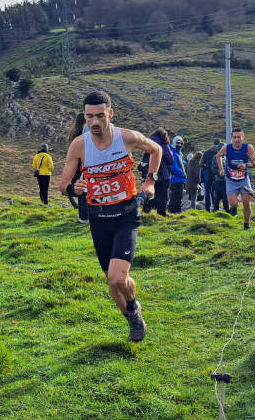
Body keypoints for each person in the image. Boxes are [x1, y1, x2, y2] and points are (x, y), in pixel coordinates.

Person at [58, 90, 161, 343]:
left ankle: (135, 322)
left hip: (126, 214)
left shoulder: (125, 137)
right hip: (99, 219)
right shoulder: (79, 145)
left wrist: (150, 181)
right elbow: (63, 183)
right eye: (89, 116)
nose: (95, 122)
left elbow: (156, 150)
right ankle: (133, 310)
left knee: (117, 278)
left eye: (100, 116)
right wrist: (73, 188)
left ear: (110, 115)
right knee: (114, 282)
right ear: (84, 116)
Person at [218, 126, 255, 230]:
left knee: (247, 203)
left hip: (243, 180)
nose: (237, 139)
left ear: (243, 138)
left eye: (239, 137)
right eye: (235, 137)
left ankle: (246, 225)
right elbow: (218, 156)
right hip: (231, 180)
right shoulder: (227, 148)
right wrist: (221, 169)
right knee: (233, 204)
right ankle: (233, 209)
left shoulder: (248, 148)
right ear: (231, 138)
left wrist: (245, 165)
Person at [64, 112, 89, 224]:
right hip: (82, 165)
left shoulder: (73, 133)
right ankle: (85, 217)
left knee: (81, 190)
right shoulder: (83, 133)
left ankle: (82, 216)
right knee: (85, 191)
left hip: (75, 165)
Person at [148, 128, 172, 216]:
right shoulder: (163, 145)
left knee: (151, 192)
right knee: (163, 195)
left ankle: (147, 211)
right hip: (162, 174)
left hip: (150, 173)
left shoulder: (148, 144)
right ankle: (161, 213)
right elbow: (170, 159)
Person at [202, 139, 224, 212]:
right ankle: (216, 208)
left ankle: (208, 208)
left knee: (208, 191)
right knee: (217, 191)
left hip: (209, 174)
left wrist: (207, 167)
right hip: (218, 174)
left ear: (213, 143)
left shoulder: (207, 152)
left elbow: (201, 164)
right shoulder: (220, 151)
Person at [167, 136, 187, 213]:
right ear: (174, 143)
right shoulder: (174, 153)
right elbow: (174, 167)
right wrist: (183, 174)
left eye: (181, 143)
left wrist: (185, 163)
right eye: (178, 143)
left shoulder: (178, 153)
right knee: (177, 197)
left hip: (178, 179)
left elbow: (180, 164)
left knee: (174, 197)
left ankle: (171, 212)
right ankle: (176, 212)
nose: (180, 145)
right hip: (176, 179)